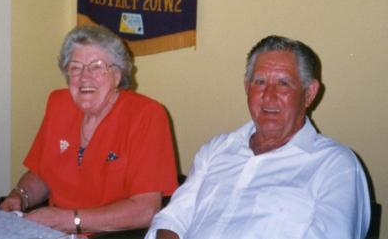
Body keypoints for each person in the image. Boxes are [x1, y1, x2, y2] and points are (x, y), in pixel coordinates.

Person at [145, 35, 371, 239]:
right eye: (260, 82)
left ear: (309, 93)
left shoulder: (335, 166)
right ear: (246, 86)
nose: (268, 96)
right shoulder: (217, 149)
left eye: (283, 83)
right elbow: (172, 220)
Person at [0, 25, 178, 234]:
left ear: (117, 75)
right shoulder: (58, 103)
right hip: (56, 230)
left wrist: (71, 220)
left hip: (113, 234)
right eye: (76, 67)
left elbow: (145, 210)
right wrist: (19, 196)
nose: (85, 77)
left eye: (97, 67)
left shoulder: (147, 115)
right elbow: (42, 173)